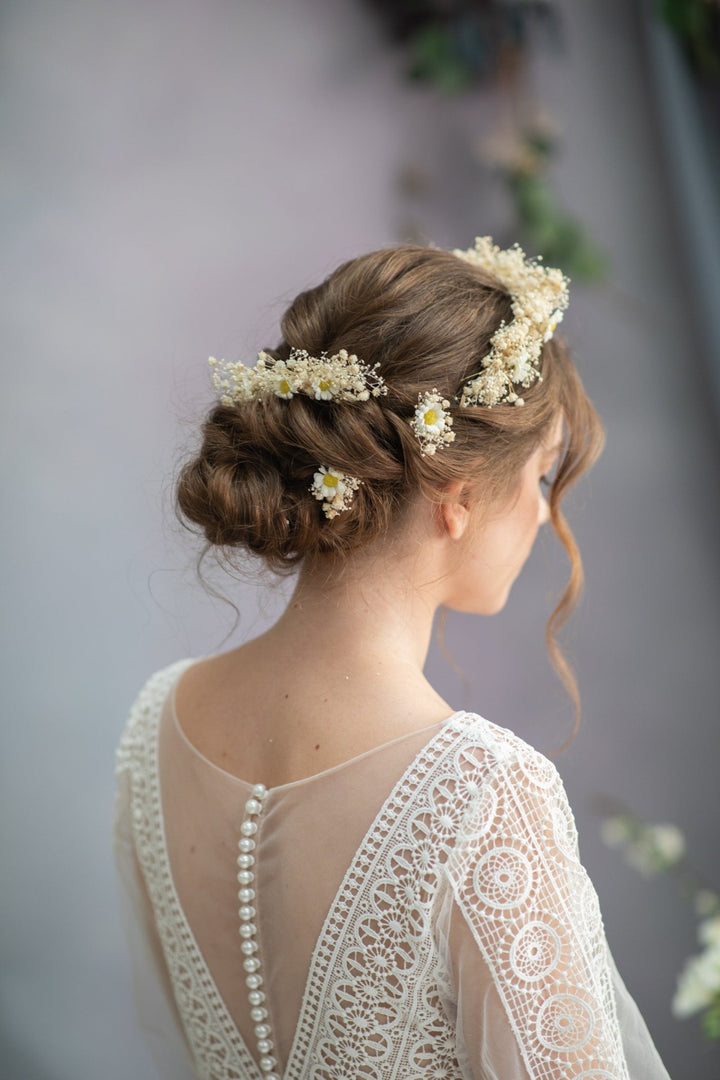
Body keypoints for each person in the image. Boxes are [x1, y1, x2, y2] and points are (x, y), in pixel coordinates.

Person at [113, 238, 672, 1079]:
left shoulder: (158, 723)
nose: (545, 516)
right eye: (542, 474)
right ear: (455, 495)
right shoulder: (484, 791)